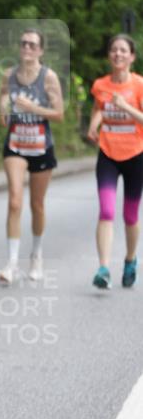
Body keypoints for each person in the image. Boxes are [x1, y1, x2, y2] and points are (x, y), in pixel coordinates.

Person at [0, 29, 64, 284]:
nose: (27, 47)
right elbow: (3, 104)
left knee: (37, 205)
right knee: (15, 201)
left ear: (40, 50)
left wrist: (32, 107)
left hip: (41, 146)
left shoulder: (49, 77)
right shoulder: (9, 75)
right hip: (15, 144)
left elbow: (59, 114)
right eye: (24, 43)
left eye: (32, 45)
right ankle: (12, 263)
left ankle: (36, 255)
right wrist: (2, 106)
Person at [87, 34, 143, 289]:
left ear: (132, 57)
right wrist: (93, 125)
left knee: (130, 215)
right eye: (113, 50)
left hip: (136, 155)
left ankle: (130, 259)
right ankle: (104, 268)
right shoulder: (101, 85)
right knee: (107, 211)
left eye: (123, 50)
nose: (118, 54)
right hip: (107, 154)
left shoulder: (139, 85)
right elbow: (99, 108)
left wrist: (126, 107)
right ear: (109, 55)